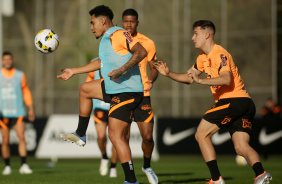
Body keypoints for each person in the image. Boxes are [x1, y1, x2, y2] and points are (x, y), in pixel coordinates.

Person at [153, 20, 272, 184]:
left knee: (201, 134)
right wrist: (168, 73)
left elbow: (226, 78)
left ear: (206, 34)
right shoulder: (202, 58)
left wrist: (201, 81)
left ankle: (216, 179)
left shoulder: (219, 53)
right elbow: (189, 79)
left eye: (195, 33)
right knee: (240, 147)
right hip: (245, 103)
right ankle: (261, 174)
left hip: (233, 101)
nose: (192, 37)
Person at [57, 5, 147, 184]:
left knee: (115, 136)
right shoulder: (107, 39)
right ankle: (81, 133)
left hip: (127, 91)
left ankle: (131, 181)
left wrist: (122, 70)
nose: (91, 28)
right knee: (85, 89)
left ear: (103, 21)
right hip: (117, 88)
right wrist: (73, 71)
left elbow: (141, 52)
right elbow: (100, 63)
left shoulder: (118, 34)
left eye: (92, 23)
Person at [122, 9, 158, 184]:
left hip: (143, 94)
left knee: (148, 136)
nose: (128, 25)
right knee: (123, 137)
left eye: (132, 22)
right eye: (126, 21)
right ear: (122, 22)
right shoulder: (117, 40)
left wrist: (151, 80)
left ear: (137, 22)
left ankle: (147, 165)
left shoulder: (147, 43)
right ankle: (129, 174)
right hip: (122, 94)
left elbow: (154, 67)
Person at [0, 51, 35, 175]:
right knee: (5, 141)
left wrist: (30, 108)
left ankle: (24, 165)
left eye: (10, 59)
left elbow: (25, 91)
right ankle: (7, 166)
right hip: (3, 114)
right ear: (2, 61)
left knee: (21, 138)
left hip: (18, 112)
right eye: (5, 59)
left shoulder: (20, 75)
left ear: (12, 60)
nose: (8, 61)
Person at [85, 66, 118, 178]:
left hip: (116, 105)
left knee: (116, 139)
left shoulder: (119, 60)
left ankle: (113, 167)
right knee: (101, 136)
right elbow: (87, 86)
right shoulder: (94, 63)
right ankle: (104, 157)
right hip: (99, 106)